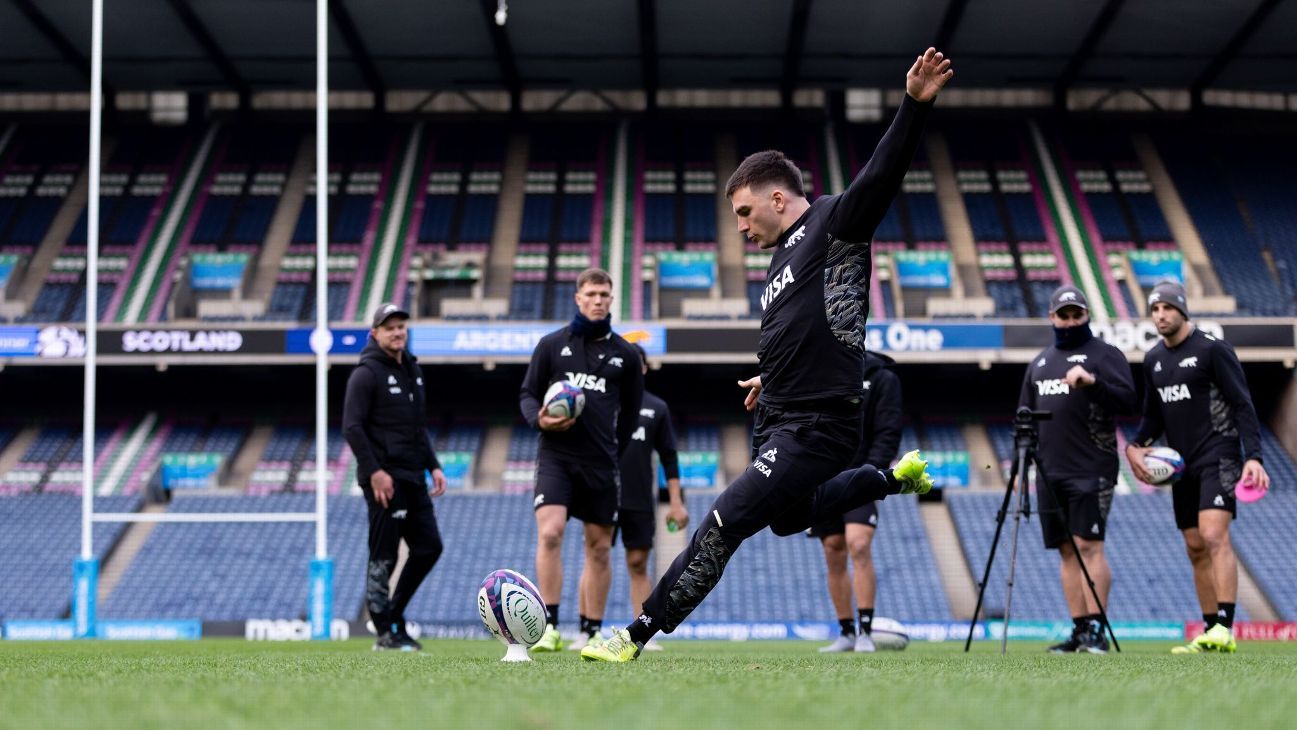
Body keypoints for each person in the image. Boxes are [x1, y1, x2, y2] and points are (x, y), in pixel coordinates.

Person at [581, 48, 951, 663]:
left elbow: (881, 176)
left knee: (725, 520)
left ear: (778, 199)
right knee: (785, 519)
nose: (741, 227)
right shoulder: (779, 260)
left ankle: (634, 634)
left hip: (819, 424)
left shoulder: (836, 223)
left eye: (744, 212)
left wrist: (913, 104)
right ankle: (891, 479)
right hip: (778, 411)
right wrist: (770, 378)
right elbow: (801, 328)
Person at [1125, 280, 1269, 654]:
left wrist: (1253, 456)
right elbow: (1151, 418)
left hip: (1218, 454)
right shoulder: (1153, 360)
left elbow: (1242, 405)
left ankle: (1225, 626)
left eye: (1167, 308)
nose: (1160, 315)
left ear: (1182, 310)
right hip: (1180, 464)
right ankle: (1209, 631)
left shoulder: (1211, 350)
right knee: (1194, 546)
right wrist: (1134, 448)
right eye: (1155, 309)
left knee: (1212, 534)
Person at [519, 268, 644, 652]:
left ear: (611, 299)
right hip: (557, 458)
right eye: (591, 294)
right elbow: (527, 394)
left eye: (604, 294)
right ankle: (548, 626)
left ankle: (590, 629)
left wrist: (611, 450)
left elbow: (632, 414)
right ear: (578, 298)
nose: (598, 300)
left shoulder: (624, 354)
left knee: (599, 548)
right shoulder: (552, 345)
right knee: (551, 532)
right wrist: (539, 419)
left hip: (601, 464)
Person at [1018, 285, 1135, 654]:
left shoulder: (1105, 355)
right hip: (1049, 472)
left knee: (1089, 545)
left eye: (1076, 315)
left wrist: (1094, 383)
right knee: (1067, 550)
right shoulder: (1039, 363)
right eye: (1063, 316)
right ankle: (1080, 629)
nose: (1070, 321)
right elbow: (1023, 418)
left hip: (1093, 467)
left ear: (1086, 316)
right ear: (1052, 318)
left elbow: (1129, 401)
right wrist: (1022, 463)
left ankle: (1098, 629)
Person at [343, 302, 447, 651]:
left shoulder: (413, 371)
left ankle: (394, 614)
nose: (397, 332)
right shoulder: (366, 373)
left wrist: (433, 465)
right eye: (389, 327)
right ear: (375, 333)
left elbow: (418, 428)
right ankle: (385, 632)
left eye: (401, 326)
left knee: (430, 547)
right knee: (384, 555)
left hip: (413, 476)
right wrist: (375, 472)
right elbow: (352, 427)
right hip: (384, 480)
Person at [574, 343, 689, 652]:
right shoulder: (599, 403)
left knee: (638, 563)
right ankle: (588, 630)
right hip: (600, 495)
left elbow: (669, 457)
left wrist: (676, 502)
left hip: (639, 499)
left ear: (644, 368)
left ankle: (641, 632)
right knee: (595, 557)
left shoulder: (657, 408)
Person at [811, 352, 902, 654]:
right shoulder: (822, 370)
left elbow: (888, 431)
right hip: (825, 476)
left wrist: (871, 474)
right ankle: (846, 632)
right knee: (832, 548)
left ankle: (866, 632)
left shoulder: (883, 378)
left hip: (862, 476)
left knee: (859, 544)